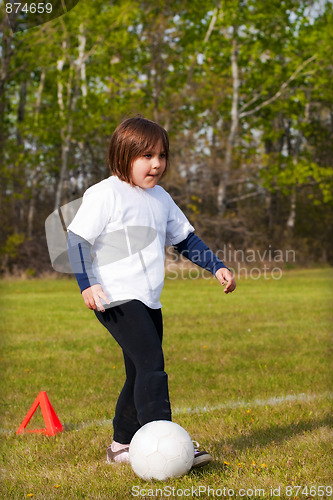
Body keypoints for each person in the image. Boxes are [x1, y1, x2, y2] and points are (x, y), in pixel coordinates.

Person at [67, 116, 236, 467]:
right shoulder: (105, 193)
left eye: (161, 155)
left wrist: (215, 264)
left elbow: (185, 239)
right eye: (146, 156)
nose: (156, 163)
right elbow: (77, 239)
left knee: (138, 371)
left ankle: (119, 446)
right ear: (122, 155)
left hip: (148, 299)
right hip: (112, 297)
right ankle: (167, 440)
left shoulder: (161, 198)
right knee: (151, 364)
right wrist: (88, 283)